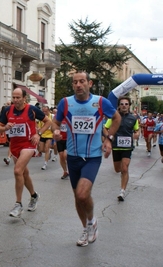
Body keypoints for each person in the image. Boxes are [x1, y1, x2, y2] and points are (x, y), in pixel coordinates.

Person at [52, 71, 121, 247]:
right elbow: (55, 122)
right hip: (73, 156)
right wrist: (56, 131)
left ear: (89, 83)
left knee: (83, 193)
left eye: (82, 81)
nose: (78, 85)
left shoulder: (100, 102)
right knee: (78, 196)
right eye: (75, 82)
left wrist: (108, 139)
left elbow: (116, 118)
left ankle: (91, 221)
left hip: (93, 156)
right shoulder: (65, 103)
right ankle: (86, 228)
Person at [0, 87, 51, 218]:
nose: (15, 100)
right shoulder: (7, 110)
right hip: (14, 146)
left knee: (17, 170)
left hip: (29, 144)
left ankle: (18, 204)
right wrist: (5, 128)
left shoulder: (32, 109)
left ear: (24, 98)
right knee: (24, 173)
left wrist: (39, 134)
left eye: (18, 97)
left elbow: (48, 121)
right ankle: (34, 195)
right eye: (13, 97)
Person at [104, 96, 139, 201]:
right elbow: (105, 128)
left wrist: (136, 135)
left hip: (127, 147)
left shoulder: (133, 118)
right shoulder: (114, 117)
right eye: (122, 104)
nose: (124, 106)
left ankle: (122, 191)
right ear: (119, 105)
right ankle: (122, 179)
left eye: (126, 104)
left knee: (125, 168)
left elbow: (137, 130)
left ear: (129, 106)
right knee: (117, 169)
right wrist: (109, 138)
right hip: (116, 147)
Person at [38, 106, 54, 170]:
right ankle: (49, 152)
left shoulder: (52, 117)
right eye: (43, 111)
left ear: (49, 111)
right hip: (43, 135)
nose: (44, 112)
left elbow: (55, 124)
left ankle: (45, 163)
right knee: (41, 150)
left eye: (45, 111)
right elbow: (40, 126)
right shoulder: (42, 117)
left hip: (50, 135)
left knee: (47, 148)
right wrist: (39, 129)